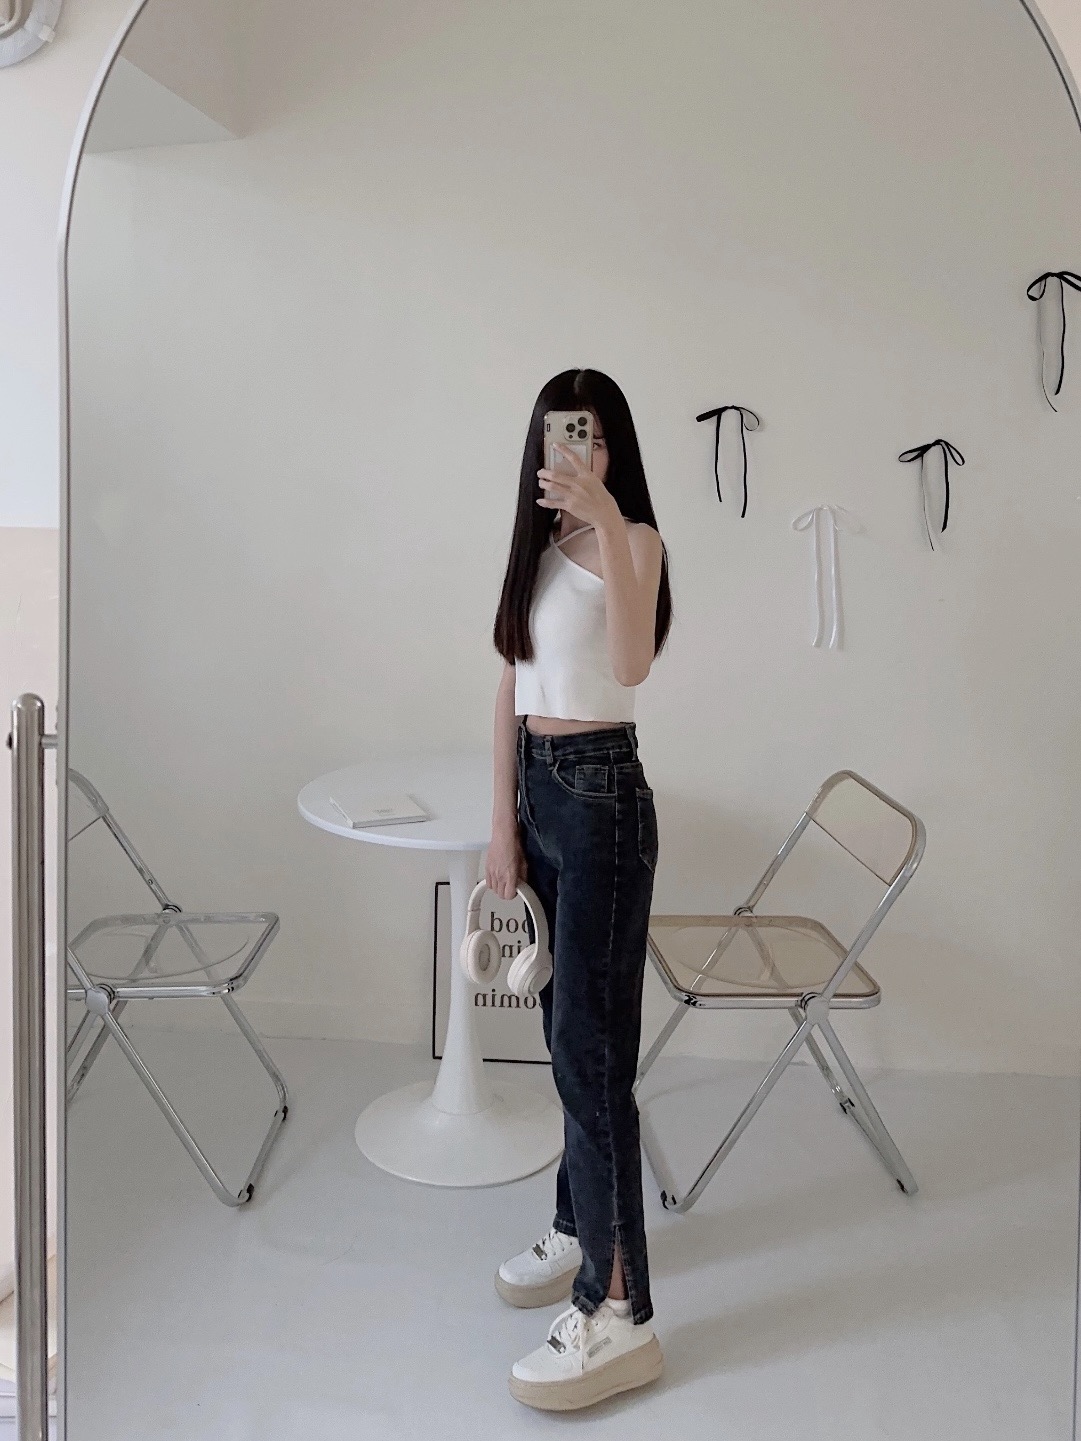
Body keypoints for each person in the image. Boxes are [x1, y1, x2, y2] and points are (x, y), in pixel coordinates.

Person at [488, 368, 673, 1411]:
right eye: (566, 436)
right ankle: (578, 1224)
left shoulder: (632, 540)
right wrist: (502, 827)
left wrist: (604, 517)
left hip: (603, 796)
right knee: (569, 1037)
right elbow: (510, 683)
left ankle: (618, 1311)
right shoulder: (538, 548)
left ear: (615, 450)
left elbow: (632, 665)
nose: (580, 452)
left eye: (595, 437)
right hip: (542, 793)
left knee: (590, 1056)